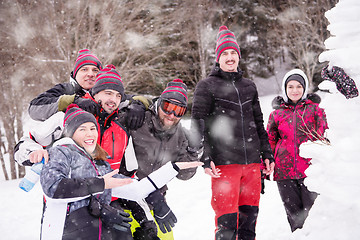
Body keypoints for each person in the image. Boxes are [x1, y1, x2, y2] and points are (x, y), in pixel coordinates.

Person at [40, 105, 203, 240]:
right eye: (82, 129)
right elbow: (53, 188)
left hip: (93, 233)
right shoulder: (61, 152)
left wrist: (173, 168)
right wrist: (100, 185)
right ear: (70, 132)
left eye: (92, 128)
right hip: (64, 232)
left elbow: (135, 189)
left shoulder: (99, 161)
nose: (90, 133)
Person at [190, 25, 275, 240]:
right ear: (218, 58)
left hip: (253, 166)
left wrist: (267, 154)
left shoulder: (249, 86)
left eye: (233, 53)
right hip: (224, 165)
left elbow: (258, 122)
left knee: (248, 224)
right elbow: (198, 123)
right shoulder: (206, 85)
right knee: (226, 226)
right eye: (225, 53)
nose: (229, 57)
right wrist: (205, 155)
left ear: (238, 57)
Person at [121, 79, 200, 240]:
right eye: (168, 107)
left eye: (179, 111)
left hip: (157, 207)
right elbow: (113, 100)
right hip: (127, 202)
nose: (172, 115)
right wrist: (133, 104)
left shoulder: (181, 136)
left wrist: (193, 150)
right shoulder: (138, 120)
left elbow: (184, 175)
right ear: (159, 103)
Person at [266, 69, 328, 232]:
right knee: (295, 219)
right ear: (285, 89)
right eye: (291, 87)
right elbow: (269, 142)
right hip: (284, 174)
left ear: (305, 88)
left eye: (299, 86)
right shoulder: (276, 114)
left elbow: (324, 139)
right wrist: (263, 168)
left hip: (310, 172)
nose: (295, 90)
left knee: (314, 216)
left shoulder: (316, 111)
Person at [27, 49, 145, 128]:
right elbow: (34, 109)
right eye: (84, 69)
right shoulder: (65, 89)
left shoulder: (109, 95)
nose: (90, 74)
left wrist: (137, 105)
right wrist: (74, 101)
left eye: (95, 70)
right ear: (75, 74)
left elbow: (141, 100)